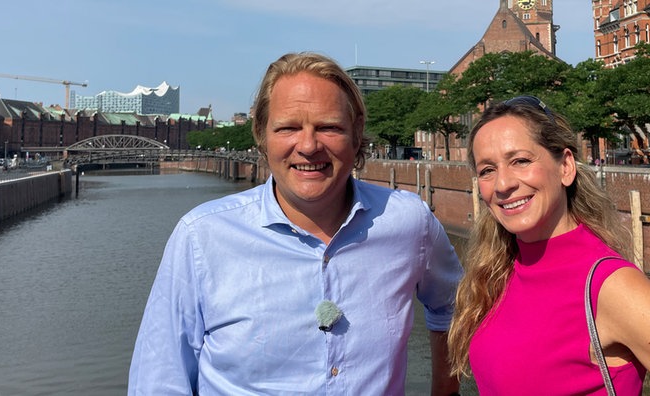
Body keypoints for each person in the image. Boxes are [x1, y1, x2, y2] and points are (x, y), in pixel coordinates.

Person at [128, 52, 463, 395]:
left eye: (329, 127)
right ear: (261, 133)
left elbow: (456, 304)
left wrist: (446, 390)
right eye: (288, 127)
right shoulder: (201, 237)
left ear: (357, 131)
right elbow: (159, 379)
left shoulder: (408, 222)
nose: (307, 146)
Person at [447, 95, 650, 394]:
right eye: (487, 170)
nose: (503, 184)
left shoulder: (611, 286)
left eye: (520, 161)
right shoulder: (495, 276)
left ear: (565, 167)